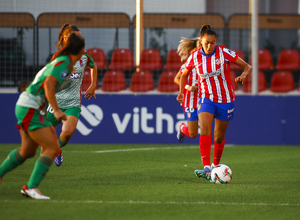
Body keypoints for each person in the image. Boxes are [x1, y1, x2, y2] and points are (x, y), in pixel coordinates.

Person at [0, 33, 85, 199]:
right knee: (53, 148)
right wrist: (57, 110)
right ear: (80, 50)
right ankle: (31, 187)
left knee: (27, 151)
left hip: (26, 105)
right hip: (30, 107)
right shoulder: (65, 63)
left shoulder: (62, 62)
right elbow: (48, 84)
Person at [176, 24, 252, 181]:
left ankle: (215, 165)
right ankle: (206, 169)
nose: (209, 46)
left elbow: (247, 66)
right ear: (201, 41)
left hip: (226, 100)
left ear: (215, 41)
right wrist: (181, 92)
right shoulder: (195, 57)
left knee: (218, 137)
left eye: (212, 42)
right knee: (204, 129)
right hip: (206, 99)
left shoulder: (223, 52)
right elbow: (183, 75)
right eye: (206, 43)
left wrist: (243, 75)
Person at [41, 24, 97, 167]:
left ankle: (57, 149)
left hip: (73, 103)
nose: (78, 39)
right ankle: (39, 175)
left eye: (79, 36)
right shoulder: (58, 57)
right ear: (66, 38)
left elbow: (93, 65)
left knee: (67, 132)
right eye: (75, 36)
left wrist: (93, 84)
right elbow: (50, 79)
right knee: (45, 147)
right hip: (55, 103)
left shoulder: (84, 57)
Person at [174, 37, 201, 143]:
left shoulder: (207, 65)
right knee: (193, 133)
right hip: (190, 100)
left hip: (206, 100)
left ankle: (205, 158)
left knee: (205, 130)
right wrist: (187, 87)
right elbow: (177, 79)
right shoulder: (187, 65)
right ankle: (182, 128)